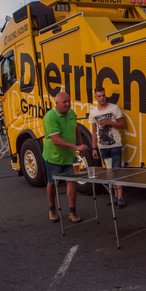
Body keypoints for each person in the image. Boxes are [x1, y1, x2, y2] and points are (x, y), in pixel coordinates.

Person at [43, 92, 89, 223]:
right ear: (56, 103)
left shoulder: (71, 113)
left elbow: (76, 129)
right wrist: (76, 148)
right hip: (54, 158)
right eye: (64, 102)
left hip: (70, 157)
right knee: (52, 183)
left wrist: (80, 145)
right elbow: (56, 140)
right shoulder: (50, 117)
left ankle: (72, 211)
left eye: (69, 101)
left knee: (71, 181)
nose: (68, 104)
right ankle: (52, 209)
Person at [90, 87, 127, 208]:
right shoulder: (93, 112)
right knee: (109, 172)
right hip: (103, 146)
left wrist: (109, 122)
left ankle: (121, 197)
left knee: (117, 171)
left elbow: (123, 124)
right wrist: (94, 147)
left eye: (103, 95)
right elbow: (94, 131)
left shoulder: (114, 108)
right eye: (99, 96)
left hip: (115, 144)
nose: (102, 98)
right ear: (95, 97)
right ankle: (115, 197)